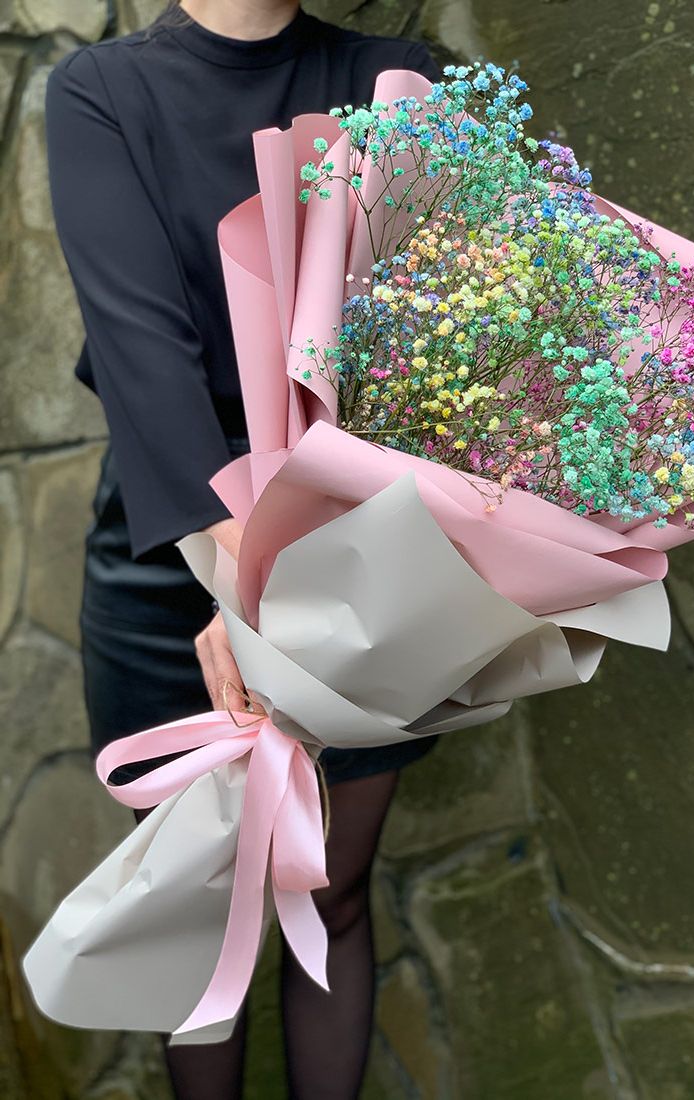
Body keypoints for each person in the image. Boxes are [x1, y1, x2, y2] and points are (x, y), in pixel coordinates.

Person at [44, 3, 441, 1097]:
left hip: (355, 545)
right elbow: (144, 357)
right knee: (192, 915)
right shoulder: (100, 93)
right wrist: (241, 581)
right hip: (167, 549)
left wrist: (291, 580)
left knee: (332, 891)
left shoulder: (397, 77)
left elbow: (422, 358)